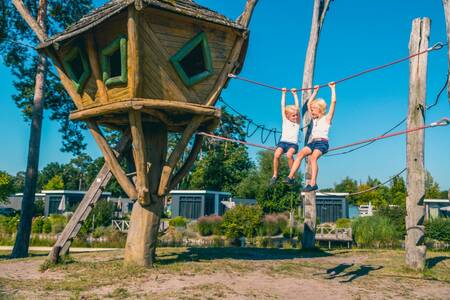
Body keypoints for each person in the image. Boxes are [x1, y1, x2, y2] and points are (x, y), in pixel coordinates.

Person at [284, 82, 336, 191]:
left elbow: (333, 102)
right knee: (300, 154)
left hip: (322, 143)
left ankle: (313, 183)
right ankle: (291, 176)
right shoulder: (314, 119)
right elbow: (309, 104)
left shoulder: (327, 119)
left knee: (313, 158)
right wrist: (315, 92)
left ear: (320, 109)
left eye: (313, 110)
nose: (311, 111)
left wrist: (332, 88)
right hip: (312, 142)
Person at [270, 87, 300, 185]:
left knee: (289, 155)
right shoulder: (285, 121)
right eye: (293, 116)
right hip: (283, 143)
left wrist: (295, 95)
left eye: (296, 115)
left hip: (293, 145)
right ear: (287, 116)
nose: (295, 117)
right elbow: (282, 107)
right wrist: (283, 94)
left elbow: (297, 108)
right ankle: (275, 175)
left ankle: (292, 176)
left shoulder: (297, 123)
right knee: (276, 155)